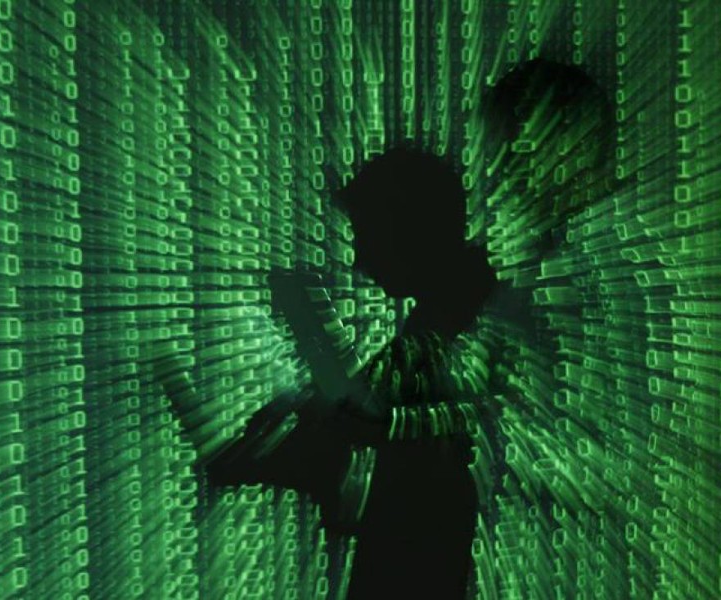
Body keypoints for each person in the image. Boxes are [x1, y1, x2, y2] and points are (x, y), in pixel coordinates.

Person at [156, 58, 613, 599]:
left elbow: (381, 415)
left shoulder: (559, 290)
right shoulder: (484, 287)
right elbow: (375, 406)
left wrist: (315, 362)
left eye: (509, 158)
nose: (493, 180)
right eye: (492, 160)